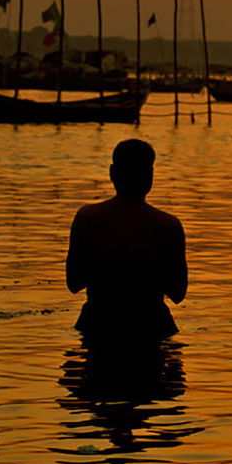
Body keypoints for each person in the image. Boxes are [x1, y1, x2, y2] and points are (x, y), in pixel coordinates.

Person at [66, 139, 187, 342]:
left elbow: (73, 283)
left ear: (112, 173)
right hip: (151, 325)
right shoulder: (168, 225)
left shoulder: (87, 218)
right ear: (149, 177)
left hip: (98, 323)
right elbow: (178, 292)